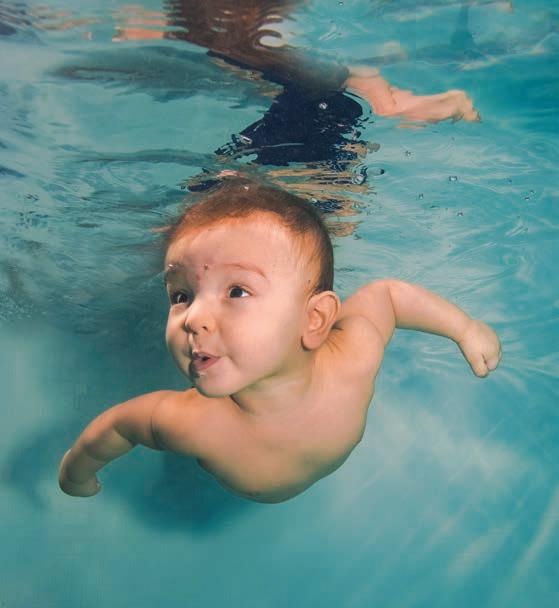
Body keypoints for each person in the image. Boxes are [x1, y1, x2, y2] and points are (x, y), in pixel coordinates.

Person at [58, 177, 501, 503]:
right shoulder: (190, 424)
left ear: (314, 319)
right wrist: (75, 473)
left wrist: (463, 327)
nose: (193, 318)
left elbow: (388, 294)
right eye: (181, 296)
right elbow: (118, 427)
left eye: (237, 291)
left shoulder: (354, 357)